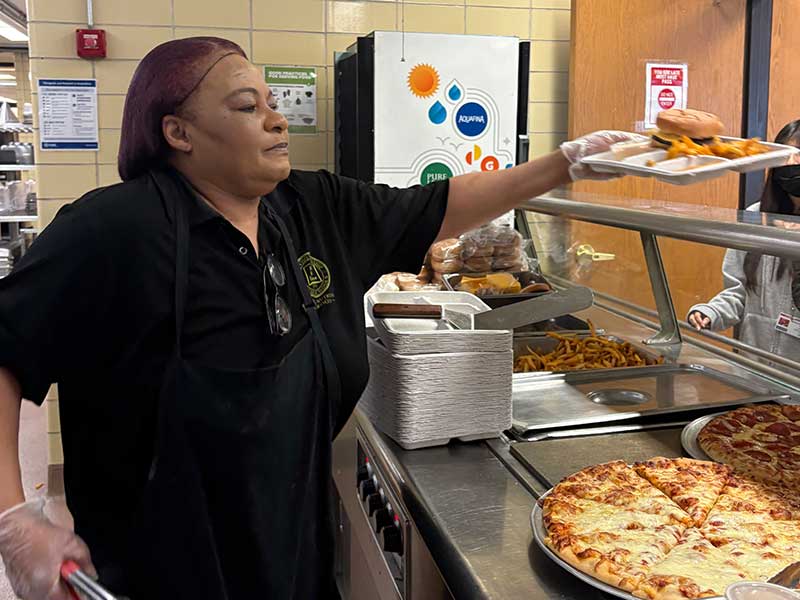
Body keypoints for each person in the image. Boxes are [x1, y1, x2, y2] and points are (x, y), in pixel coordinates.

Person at [0, 37, 640, 600]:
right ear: (179, 133)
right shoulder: (113, 231)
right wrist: (13, 521)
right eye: (248, 107)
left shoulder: (311, 207)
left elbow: (438, 205)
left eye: (273, 102)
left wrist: (567, 162)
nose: (277, 119)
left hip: (294, 561)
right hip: (157, 573)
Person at [688, 120, 800, 364]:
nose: (793, 167)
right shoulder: (756, 217)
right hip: (753, 370)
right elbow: (739, 292)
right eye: (787, 159)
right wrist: (711, 312)